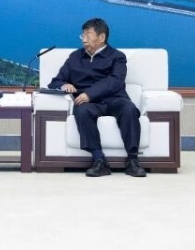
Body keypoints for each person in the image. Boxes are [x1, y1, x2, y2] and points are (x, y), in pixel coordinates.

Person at [47, 17, 144, 178]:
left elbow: (115, 81)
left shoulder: (117, 57)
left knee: (129, 109)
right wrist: (64, 85)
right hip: (88, 104)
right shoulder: (75, 57)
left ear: (101, 37)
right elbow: (55, 82)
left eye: (88, 35)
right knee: (81, 110)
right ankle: (99, 160)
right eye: (82, 35)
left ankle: (133, 161)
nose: (83, 39)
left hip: (114, 99)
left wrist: (89, 94)